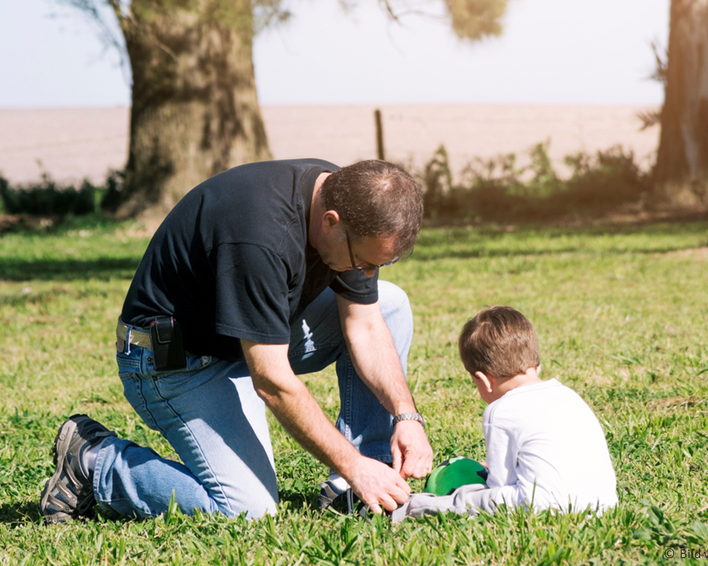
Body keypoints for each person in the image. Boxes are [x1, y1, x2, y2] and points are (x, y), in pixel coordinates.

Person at [39, 158, 433, 523]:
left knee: (390, 304)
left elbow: (364, 324)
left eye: (378, 264)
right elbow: (273, 382)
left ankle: (360, 487)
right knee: (248, 510)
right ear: (331, 222)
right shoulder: (260, 235)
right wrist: (352, 463)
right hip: (173, 359)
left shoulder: (346, 201)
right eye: (363, 261)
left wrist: (405, 414)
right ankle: (96, 462)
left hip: (243, 339)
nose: (365, 272)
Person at [391, 306, 617, 522]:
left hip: (540, 508)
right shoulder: (569, 395)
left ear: (485, 380)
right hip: (600, 506)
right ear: (536, 366)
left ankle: (410, 507)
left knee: (466, 499)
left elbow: (500, 484)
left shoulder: (500, 411)